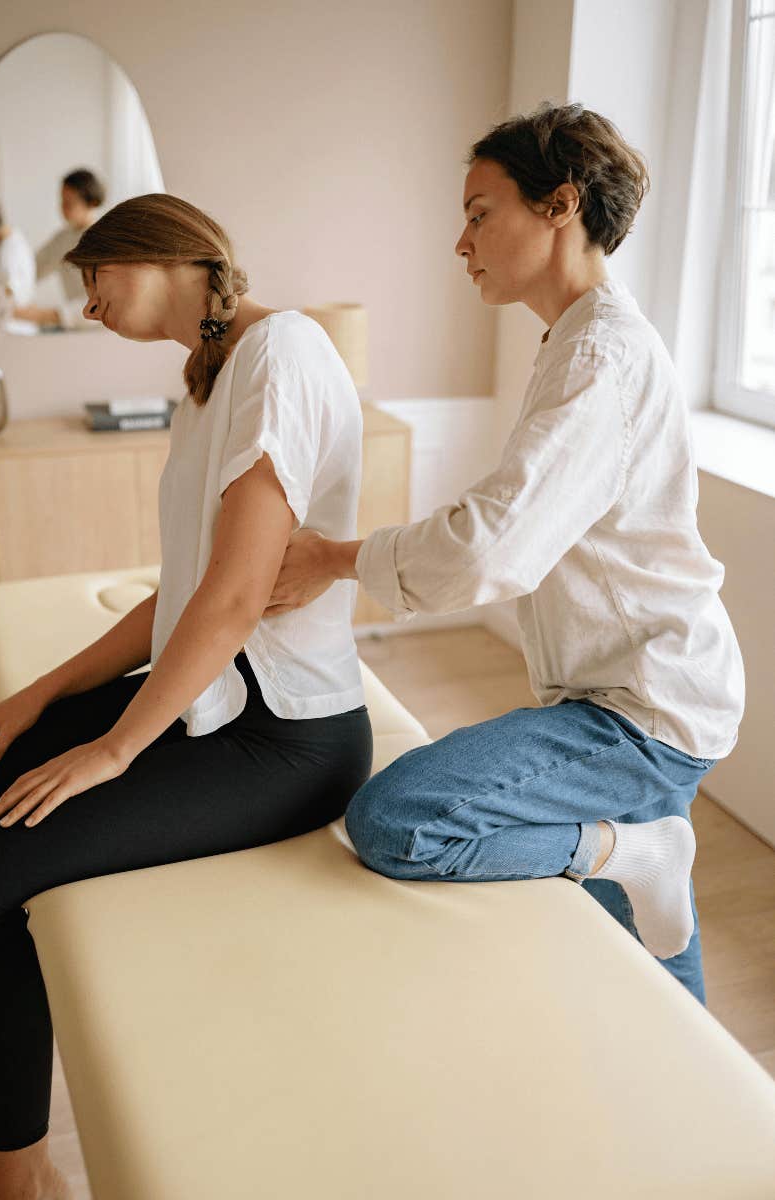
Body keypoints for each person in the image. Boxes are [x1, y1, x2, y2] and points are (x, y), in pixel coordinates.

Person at [0, 192, 373, 1200]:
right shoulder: (208, 382)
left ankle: (20, 1169)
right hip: (217, 707)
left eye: (96, 279)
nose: (88, 306)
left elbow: (232, 598)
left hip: (284, 741)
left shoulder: (281, 355)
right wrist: (34, 700)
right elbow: (180, 595)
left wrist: (115, 748)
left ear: (159, 255)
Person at [266, 103, 745, 1006]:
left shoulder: (600, 357)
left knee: (397, 820)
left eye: (481, 212)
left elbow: (492, 547)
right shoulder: (580, 342)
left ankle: (639, 857)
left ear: (559, 204)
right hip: (646, 686)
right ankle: (700, 1099)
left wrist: (333, 558)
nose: (461, 240)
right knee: (647, 914)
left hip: (643, 706)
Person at [14, 169, 106, 331]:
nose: (63, 208)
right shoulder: (63, 238)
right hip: (74, 330)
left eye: (69, 203)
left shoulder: (103, 240)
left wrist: (41, 315)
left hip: (97, 333)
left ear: (91, 203)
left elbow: (102, 303)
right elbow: (33, 268)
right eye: (62, 201)